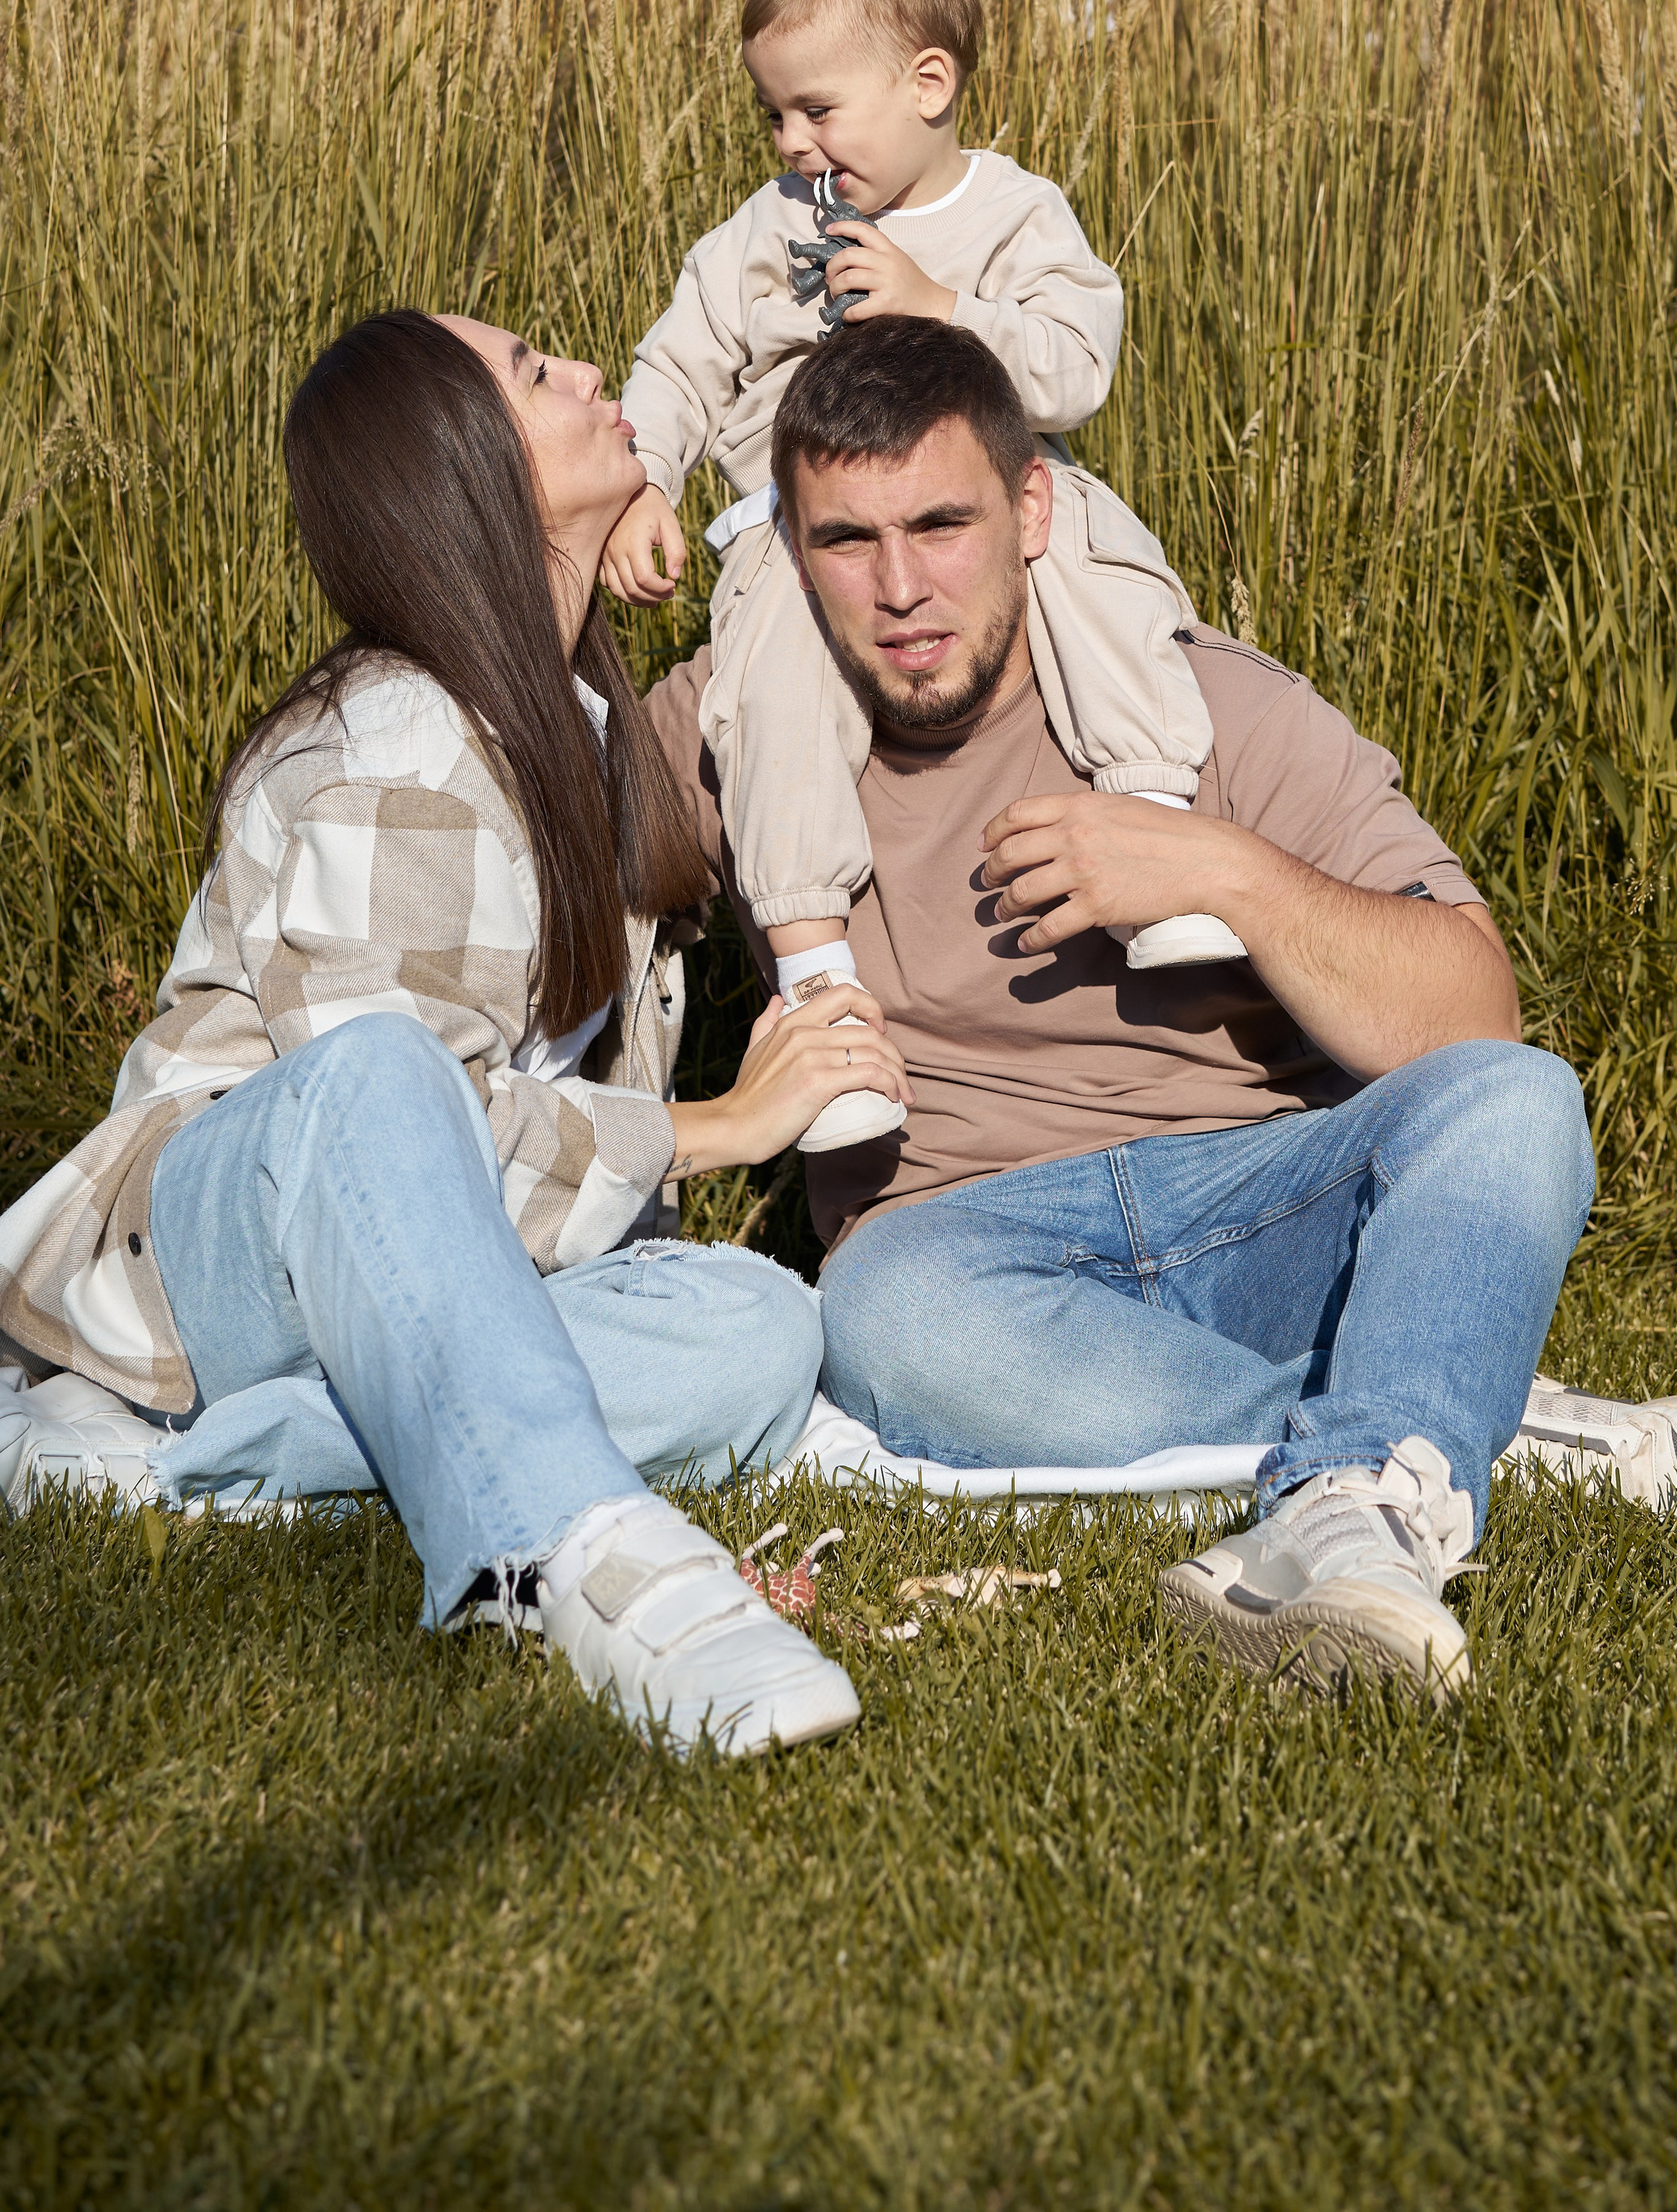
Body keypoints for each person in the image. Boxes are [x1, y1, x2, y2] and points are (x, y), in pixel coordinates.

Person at [646, 316, 1598, 1707]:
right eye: (846, 541)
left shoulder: (1196, 704)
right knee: (876, 1312)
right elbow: (545, 841)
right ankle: (1412, 1450)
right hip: (965, 1248)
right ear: (787, 548)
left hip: (1262, 1190)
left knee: (1515, 1106)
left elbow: (1473, 1016)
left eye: (940, 524)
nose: (901, 588)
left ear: (1032, 508)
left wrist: (1221, 872)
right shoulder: (739, 727)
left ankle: (1367, 1462)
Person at [0, 310, 914, 1757]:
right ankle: (575, 1552)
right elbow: (387, 1135)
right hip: (215, 1255)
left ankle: (189, 1461)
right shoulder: (398, 742)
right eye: (536, 374)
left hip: (393, 1299)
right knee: (380, 1071)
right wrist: (715, 1129)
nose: (591, 374)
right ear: (460, 469)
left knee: (755, 1324)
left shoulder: (571, 726)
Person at [604, 0, 1242, 1157]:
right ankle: (818, 982)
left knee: (1098, 568)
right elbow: (678, 364)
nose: (795, 144)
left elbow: (1074, 368)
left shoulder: (1013, 217)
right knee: (769, 680)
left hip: (992, 505)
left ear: (928, 84)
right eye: (775, 119)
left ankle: (1152, 814)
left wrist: (941, 307)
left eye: (818, 111)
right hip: (802, 534)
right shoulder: (764, 234)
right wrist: (646, 479)